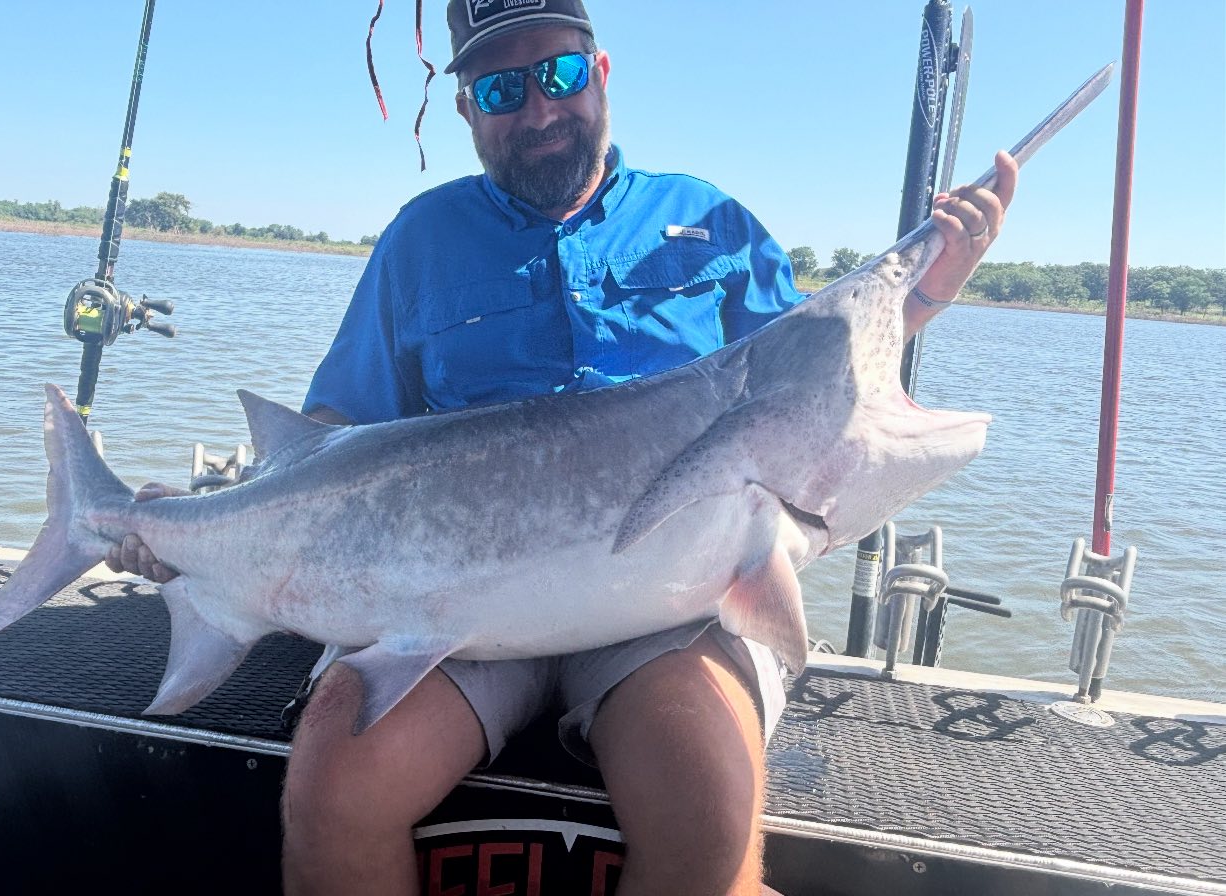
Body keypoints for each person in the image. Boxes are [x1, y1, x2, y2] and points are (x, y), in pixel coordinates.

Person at [107, 1, 1018, 892]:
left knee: (709, 809)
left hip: (671, 602)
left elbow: (814, 387)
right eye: (504, 89)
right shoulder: (420, 242)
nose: (540, 109)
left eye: (561, 73)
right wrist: (210, 523)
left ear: (603, 72)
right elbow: (337, 438)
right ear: (467, 110)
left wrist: (924, 296)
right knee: (335, 786)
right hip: (447, 600)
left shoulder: (714, 222)